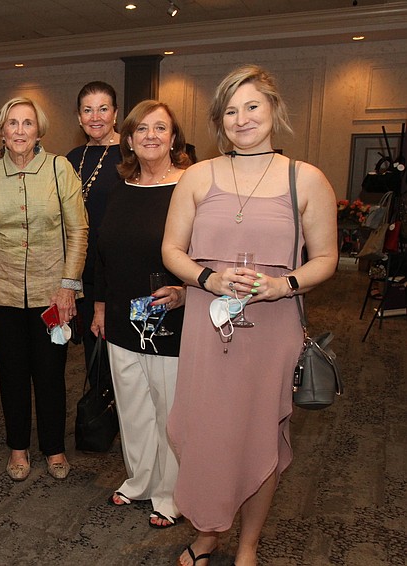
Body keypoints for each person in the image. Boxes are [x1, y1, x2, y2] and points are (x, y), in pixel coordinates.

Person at [162, 65, 338, 566]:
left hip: (272, 328)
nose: (242, 119)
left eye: (252, 106)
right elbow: (172, 249)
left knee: (260, 437)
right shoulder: (198, 176)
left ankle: (248, 546)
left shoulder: (306, 179)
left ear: (274, 109)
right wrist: (209, 279)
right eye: (230, 111)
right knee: (205, 433)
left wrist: (283, 285)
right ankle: (207, 535)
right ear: (220, 121)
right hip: (207, 323)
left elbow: (326, 258)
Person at [0, 97, 88, 481]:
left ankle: (53, 447)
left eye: (27, 123)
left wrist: (68, 287)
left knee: (50, 373)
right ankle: (17, 447)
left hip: (52, 294)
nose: (19, 131)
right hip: (0, 292)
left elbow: (78, 230)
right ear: (1, 131)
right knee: (11, 373)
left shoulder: (59, 169)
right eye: (12, 123)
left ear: (39, 130)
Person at [92, 100, 191, 528]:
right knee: (132, 405)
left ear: (174, 137)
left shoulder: (190, 186)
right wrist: (99, 305)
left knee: (169, 409)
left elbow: (207, 250)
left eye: (160, 128)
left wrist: (187, 291)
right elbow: (102, 251)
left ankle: (172, 493)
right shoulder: (120, 188)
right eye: (142, 129)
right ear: (129, 139)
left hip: (167, 314)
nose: (151, 136)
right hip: (120, 314)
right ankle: (140, 480)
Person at [65, 81, 121, 377]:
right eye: (88, 110)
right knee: (93, 356)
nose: (95, 117)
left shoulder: (131, 154)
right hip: (82, 272)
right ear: (79, 117)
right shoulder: (72, 158)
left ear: (115, 113)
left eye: (103, 109)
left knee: (120, 360)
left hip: (116, 273)